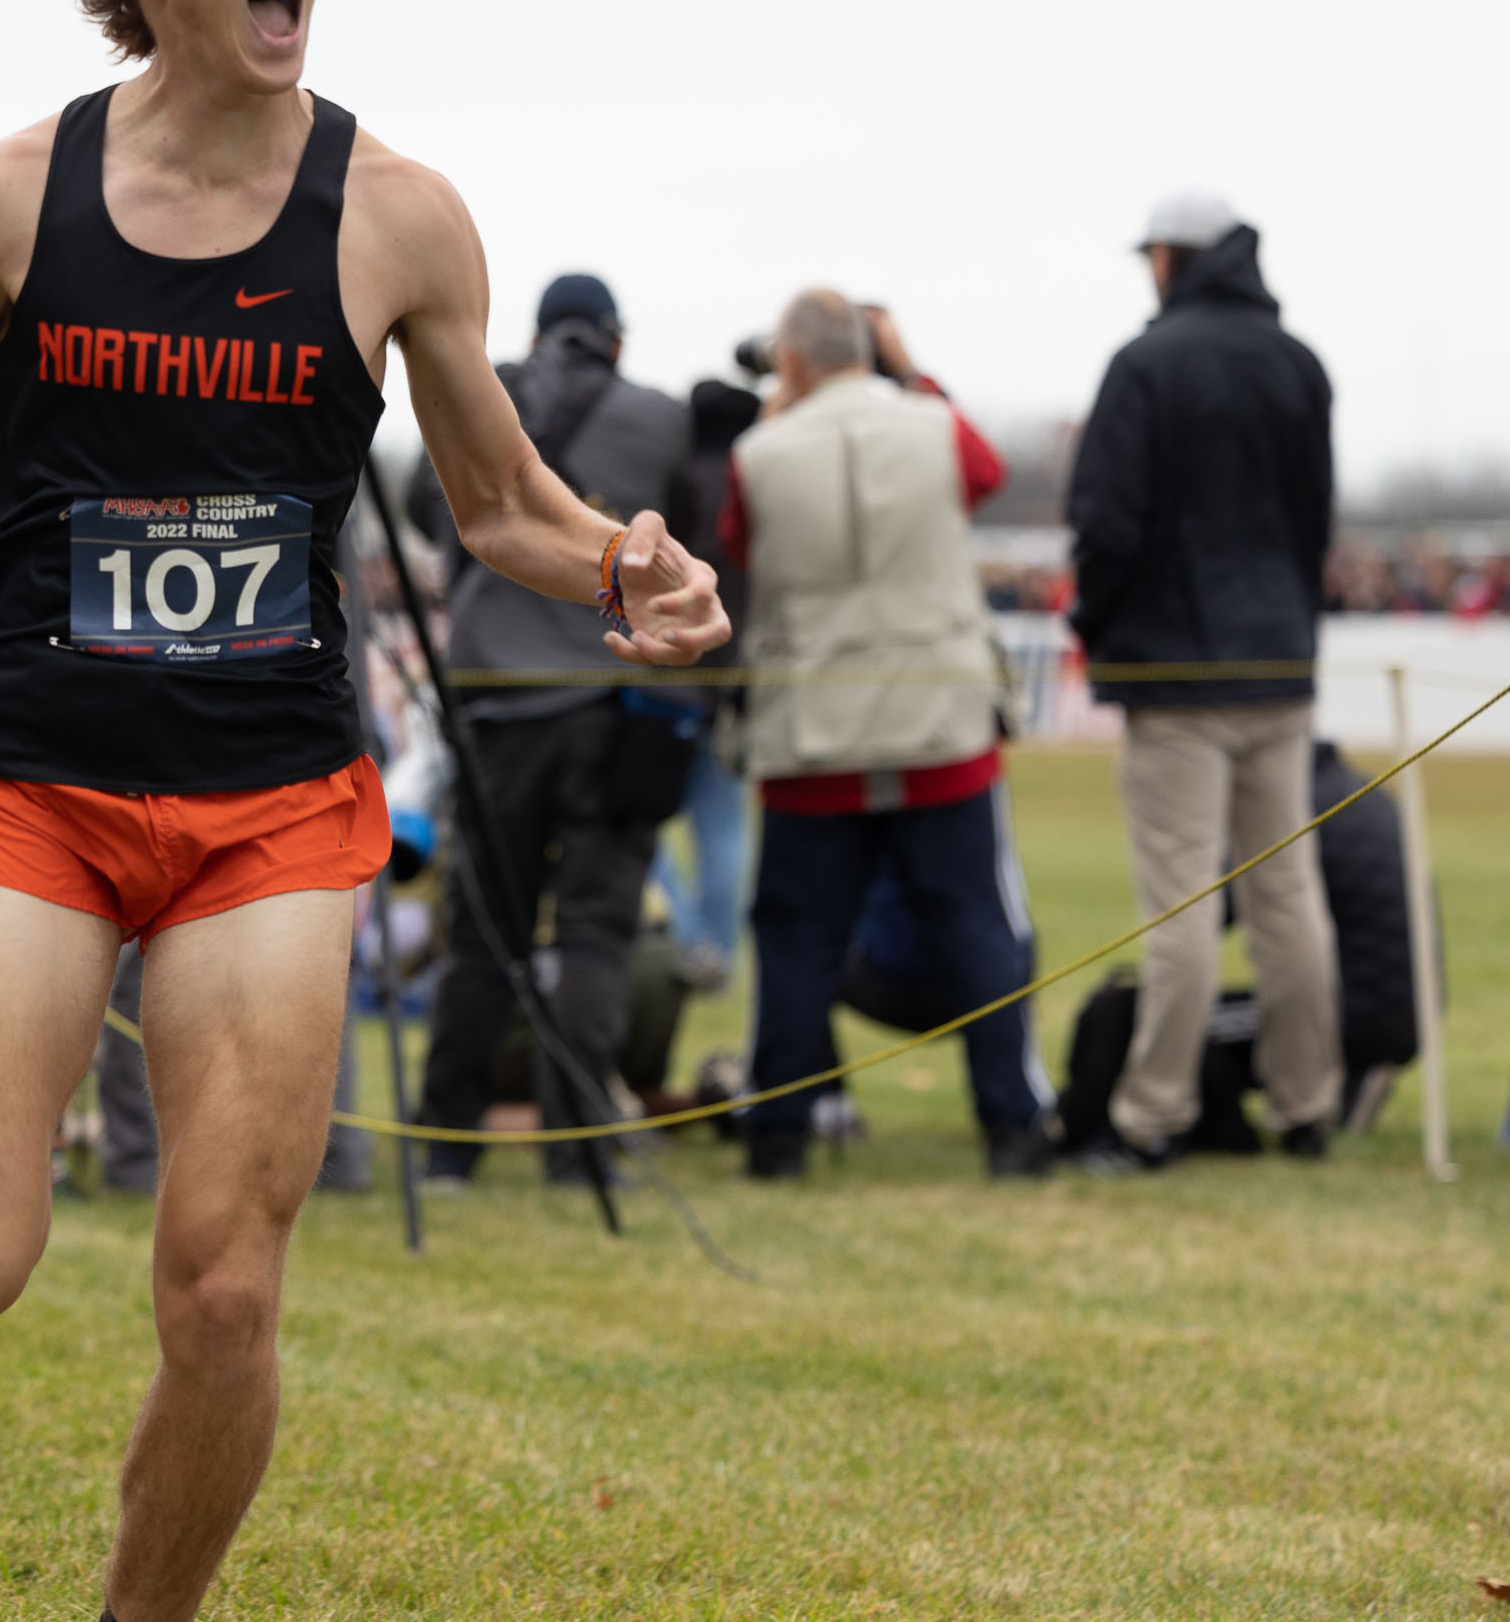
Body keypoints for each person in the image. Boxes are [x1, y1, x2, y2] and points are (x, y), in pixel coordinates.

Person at [0, 0, 726, 1622]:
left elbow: (502, 504)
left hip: (273, 803)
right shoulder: (14, 193)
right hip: (39, 791)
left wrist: (627, 572)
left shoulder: (402, 218)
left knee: (228, 1285)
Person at [726, 291, 1055, 1181]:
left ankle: (781, 1134)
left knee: (797, 940)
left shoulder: (757, 454)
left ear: (788, 362)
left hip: (810, 730)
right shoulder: (934, 423)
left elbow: (740, 543)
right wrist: (908, 370)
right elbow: (982, 474)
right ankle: (1013, 1126)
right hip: (939, 725)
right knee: (979, 925)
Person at [407, 273, 702, 1189]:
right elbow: (690, 542)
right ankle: (580, 1149)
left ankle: (449, 1144)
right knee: (597, 933)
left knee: (483, 929)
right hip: (618, 701)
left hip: (499, 705)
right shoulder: (659, 416)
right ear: (615, 338)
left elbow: (433, 507)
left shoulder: (488, 395)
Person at [1066, 191, 1339, 1173]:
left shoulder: (1145, 366)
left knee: (1180, 903)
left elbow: (1107, 522)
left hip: (1177, 670)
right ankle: (1310, 1102)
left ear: (1173, 261)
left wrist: (1100, 628)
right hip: (1279, 663)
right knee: (1288, 895)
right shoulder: (1299, 363)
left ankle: (1152, 1114)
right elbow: (1316, 518)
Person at [654, 375, 765, 993]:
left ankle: (684, 936)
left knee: (641, 824)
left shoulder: (670, 484)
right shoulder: (754, 486)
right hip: (733, 680)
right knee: (724, 829)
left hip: (665, 677)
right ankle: (715, 956)